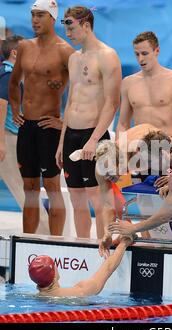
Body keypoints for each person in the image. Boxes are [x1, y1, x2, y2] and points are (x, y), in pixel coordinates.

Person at [9, 0, 74, 235]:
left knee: (52, 187)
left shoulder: (65, 50)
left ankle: (55, 243)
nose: (35, 20)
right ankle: (27, 240)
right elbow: (14, 81)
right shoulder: (25, 46)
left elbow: (82, 90)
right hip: (27, 127)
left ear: (52, 18)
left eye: (40, 15)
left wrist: (64, 121)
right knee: (30, 188)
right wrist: (15, 108)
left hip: (49, 128)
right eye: (33, 15)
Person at [55, 6, 122, 239]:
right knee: (76, 196)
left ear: (86, 25)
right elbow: (71, 102)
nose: (67, 32)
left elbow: (112, 103)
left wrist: (93, 140)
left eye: (70, 26)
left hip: (93, 135)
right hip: (72, 133)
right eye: (65, 26)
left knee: (98, 197)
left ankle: (103, 246)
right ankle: (83, 246)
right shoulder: (74, 58)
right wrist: (62, 142)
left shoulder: (107, 56)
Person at [0, 35, 49, 233]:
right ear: (15, 53)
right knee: (27, 191)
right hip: (8, 141)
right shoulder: (8, 74)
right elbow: (2, 105)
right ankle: (43, 238)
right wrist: (1, 142)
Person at [116, 31, 172, 138]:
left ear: (157, 51)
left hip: (165, 145)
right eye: (137, 54)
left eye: (144, 53)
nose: (140, 59)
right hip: (139, 146)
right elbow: (123, 124)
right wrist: (120, 150)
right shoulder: (128, 83)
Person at [28, 235, 133, 296]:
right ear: (54, 275)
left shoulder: (31, 297)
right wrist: (124, 241)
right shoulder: (80, 291)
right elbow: (108, 267)